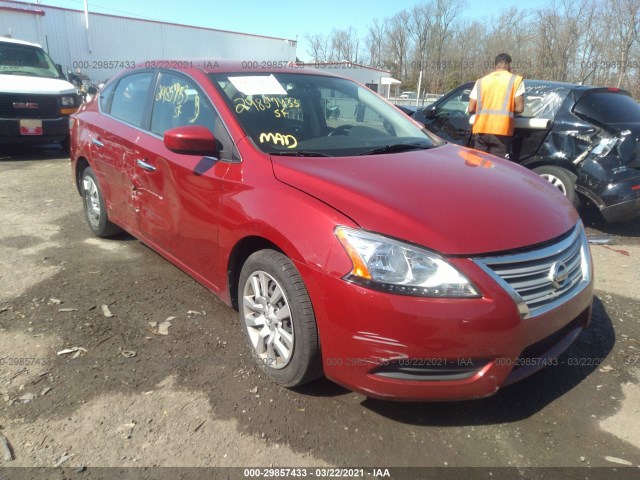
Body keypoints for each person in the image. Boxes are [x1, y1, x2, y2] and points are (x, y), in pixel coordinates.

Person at [467, 53, 524, 159]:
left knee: (479, 165)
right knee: (496, 167)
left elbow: (470, 108)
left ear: (495, 65)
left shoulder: (481, 81)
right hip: (501, 130)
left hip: (481, 129)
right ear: (509, 65)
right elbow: (520, 108)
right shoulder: (515, 80)